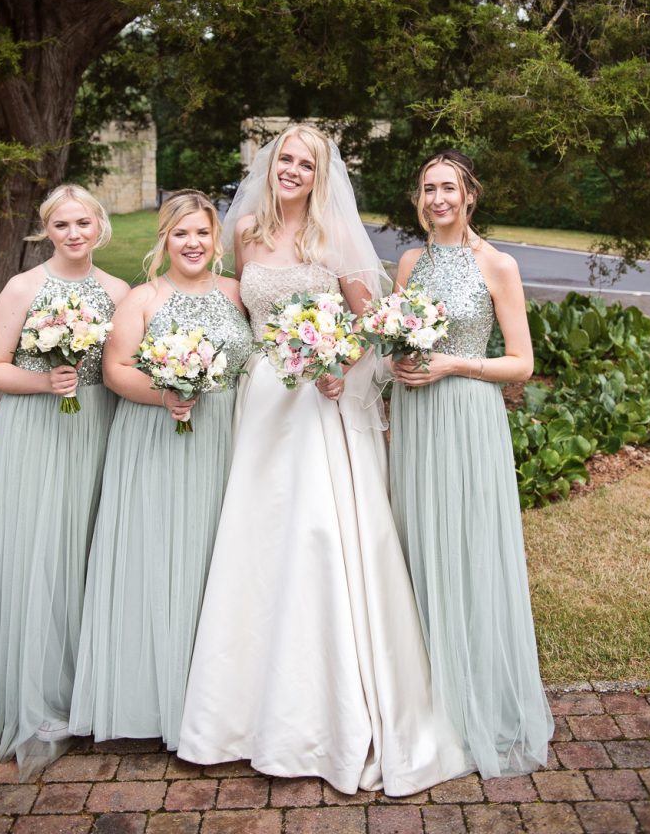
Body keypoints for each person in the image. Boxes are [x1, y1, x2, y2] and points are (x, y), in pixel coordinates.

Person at [178, 125, 472, 796]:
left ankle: (325, 719)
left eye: (305, 163)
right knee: (255, 547)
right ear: (269, 162)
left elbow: (374, 323)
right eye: (285, 157)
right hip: (260, 405)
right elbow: (228, 309)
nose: (292, 170)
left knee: (316, 539)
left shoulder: (334, 237)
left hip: (317, 406)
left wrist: (343, 364)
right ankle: (236, 719)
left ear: (320, 174)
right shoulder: (244, 231)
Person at [0, 184, 129, 780]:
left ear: (99, 226)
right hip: (36, 431)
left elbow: (121, 366)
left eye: (83, 223)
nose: (73, 234)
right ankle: (32, 696)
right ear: (45, 229)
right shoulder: (22, 288)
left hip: (95, 429)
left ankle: (85, 690)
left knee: (83, 552)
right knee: (37, 550)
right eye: (61, 225)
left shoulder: (117, 292)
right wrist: (43, 381)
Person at [389, 148, 554, 778]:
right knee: (422, 543)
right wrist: (396, 370)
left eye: (448, 188)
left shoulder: (498, 265)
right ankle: (427, 691)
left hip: (465, 415)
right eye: (428, 188)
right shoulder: (410, 262)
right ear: (419, 199)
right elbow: (397, 338)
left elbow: (521, 362)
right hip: (417, 421)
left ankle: (478, 692)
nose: (437, 199)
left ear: (469, 195)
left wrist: (456, 364)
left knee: (469, 545)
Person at [69, 190, 253, 750]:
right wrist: (164, 392)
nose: (192, 243)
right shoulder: (142, 298)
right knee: (160, 555)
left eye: (201, 233)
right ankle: (152, 701)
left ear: (214, 239)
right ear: (164, 240)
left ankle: (217, 701)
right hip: (157, 439)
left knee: (215, 560)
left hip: (224, 439)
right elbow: (115, 369)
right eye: (181, 234)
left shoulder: (237, 294)